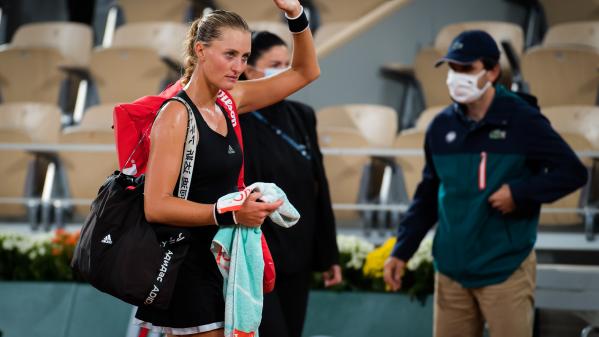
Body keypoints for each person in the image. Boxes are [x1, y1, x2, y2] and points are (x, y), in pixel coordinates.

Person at [383, 30, 588, 337]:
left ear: (492, 71)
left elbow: (572, 171)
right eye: (452, 68)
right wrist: (402, 250)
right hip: (451, 271)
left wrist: (520, 193)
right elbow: (427, 195)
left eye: (466, 68)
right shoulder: (440, 127)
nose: (456, 77)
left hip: (504, 269)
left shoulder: (523, 120)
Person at [136, 1, 320, 336]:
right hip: (187, 269)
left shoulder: (230, 101)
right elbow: (156, 205)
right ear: (201, 50)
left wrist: (295, 13)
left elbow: (306, 72)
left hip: (224, 263)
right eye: (230, 54)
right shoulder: (176, 114)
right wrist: (230, 213)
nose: (238, 66)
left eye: (245, 57)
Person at [239, 30, 342, 337]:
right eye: (275, 63)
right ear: (250, 70)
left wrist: (329, 254)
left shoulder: (302, 116)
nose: (285, 71)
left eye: (288, 63)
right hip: (254, 252)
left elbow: (318, 186)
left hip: (298, 251)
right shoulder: (234, 115)